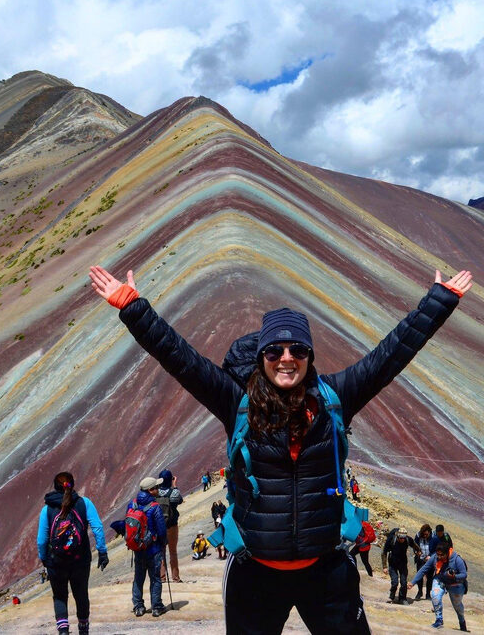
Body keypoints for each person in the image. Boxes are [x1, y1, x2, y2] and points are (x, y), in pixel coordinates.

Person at [89, 264, 472, 634]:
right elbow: (179, 358)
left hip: (327, 570)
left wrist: (439, 301)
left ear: (309, 356)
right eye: (274, 351)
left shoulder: (335, 399)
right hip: (254, 573)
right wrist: (132, 306)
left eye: (297, 350)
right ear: (262, 358)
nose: (286, 358)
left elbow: (391, 355)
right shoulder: (235, 401)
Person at [37, 471, 108, 635]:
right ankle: (83, 630)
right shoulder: (84, 503)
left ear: (55, 487)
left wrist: (44, 559)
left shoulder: (47, 510)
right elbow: (97, 528)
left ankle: (63, 631)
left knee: (60, 596)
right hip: (80, 559)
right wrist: (102, 552)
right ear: (72, 485)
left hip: (57, 561)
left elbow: (41, 540)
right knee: (81, 594)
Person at [129, 476, 167, 618]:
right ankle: (156, 607)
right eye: (156, 487)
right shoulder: (154, 507)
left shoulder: (132, 504)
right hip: (153, 549)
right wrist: (163, 543)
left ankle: (138, 606)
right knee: (155, 578)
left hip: (138, 549)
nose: (158, 489)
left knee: (138, 578)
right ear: (150, 490)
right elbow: (161, 530)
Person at [408, 539, 468, 630]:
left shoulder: (457, 560)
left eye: (442, 555)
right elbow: (424, 569)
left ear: (447, 553)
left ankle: (462, 622)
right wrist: (413, 582)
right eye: (438, 554)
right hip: (440, 579)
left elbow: (464, 574)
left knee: (457, 605)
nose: (439, 557)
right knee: (435, 595)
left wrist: (454, 576)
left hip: (455, 583)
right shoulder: (434, 557)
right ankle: (439, 620)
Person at [157, 468, 184, 583]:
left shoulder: (156, 492)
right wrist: (175, 485)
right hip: (172, 526)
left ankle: (162, 577)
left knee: (161, 552)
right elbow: (180, 500)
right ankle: (175, 577)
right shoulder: (174, 492)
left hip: (160, 527)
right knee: (173, 552)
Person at [382, 527, 420, 605]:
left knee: (403, 581)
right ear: (397, 536)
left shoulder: (408, 539)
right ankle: (391, 596)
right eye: (400, 538)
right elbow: (384, 552)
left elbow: (415, 545)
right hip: (392, 563)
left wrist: (418, 551)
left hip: (403, 563)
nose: (402, 540)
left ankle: (402, 598)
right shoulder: (391, 540)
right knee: (395, 581)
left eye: (403, 538)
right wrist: (385, 566)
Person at [413, 523, 434, 600]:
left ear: (429, 532)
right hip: (420, 559)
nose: (425, 536)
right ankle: (419, 592)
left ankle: (428, 594)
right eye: (423, 534)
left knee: (430, 577)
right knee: (419, 575)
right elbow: (414, 545)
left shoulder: (433, 537)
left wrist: (431, 556)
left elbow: (436, 548)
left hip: (430, 560)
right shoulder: (418, 535)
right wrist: (416, 552)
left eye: (426, 534)